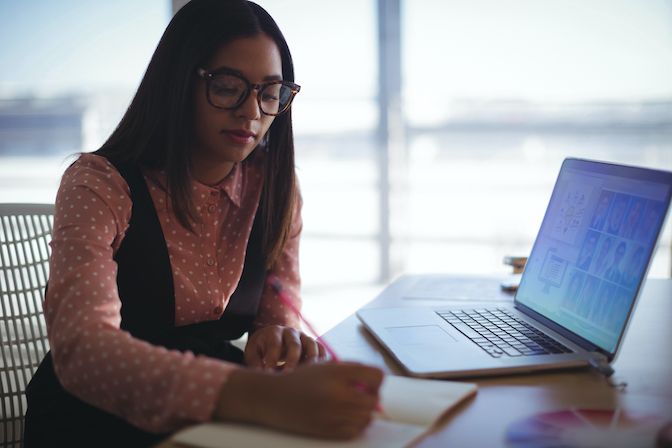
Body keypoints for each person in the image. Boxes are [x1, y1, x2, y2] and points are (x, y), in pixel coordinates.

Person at [23, 1, 383, 446]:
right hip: (95, 418)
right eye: (229, 86)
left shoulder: (275, 190)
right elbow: (82, 351)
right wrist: (255, 395)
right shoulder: (100, 183)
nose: (252, 111)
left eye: (270, 92)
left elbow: (278, 313)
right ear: (178, 82)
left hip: (220, 418)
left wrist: (277, 340)